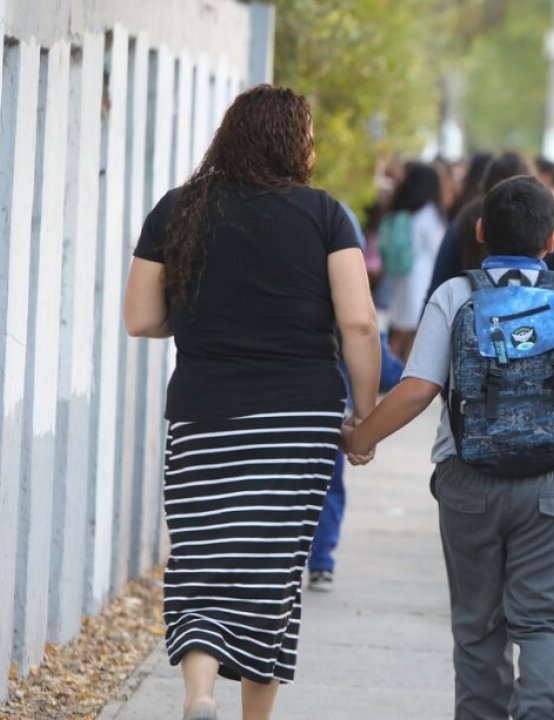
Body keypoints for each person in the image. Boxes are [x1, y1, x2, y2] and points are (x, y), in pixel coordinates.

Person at [122, 84, 381, 720]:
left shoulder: (176, 210)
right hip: (297, 419)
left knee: (203, 555)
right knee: (270, 569)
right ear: (297, 141)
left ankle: (199, 693)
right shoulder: (325, 215)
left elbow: (139, 318)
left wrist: (201, 320)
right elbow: (361, 326)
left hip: (204, 412)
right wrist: (366, 417)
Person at [341, 176, 554, 719]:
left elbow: (417, 390)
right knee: (547, 622)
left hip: (470, 486)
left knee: (478, 628)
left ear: (479, 232)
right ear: (551, 241)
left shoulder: (454, 297)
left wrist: (359, 438)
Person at [305, 201, 406, 592]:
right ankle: (322, 560)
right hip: (331, 411)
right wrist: (367, 425)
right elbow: (376, 349)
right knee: (328, 488)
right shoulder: (349, 299)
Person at [425, 152, 554, 303]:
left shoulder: (465, 219)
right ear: (551, 241)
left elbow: (437, 285)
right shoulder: (544, 220)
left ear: (480, 231)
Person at [382, 161, 446, 361]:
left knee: (400, 331)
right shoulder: (429, 213)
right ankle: (400, 375)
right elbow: (438, 250)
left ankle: (389, 370)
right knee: (415, 333)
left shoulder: (405, 211)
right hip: (422, 279)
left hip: (403, 277)